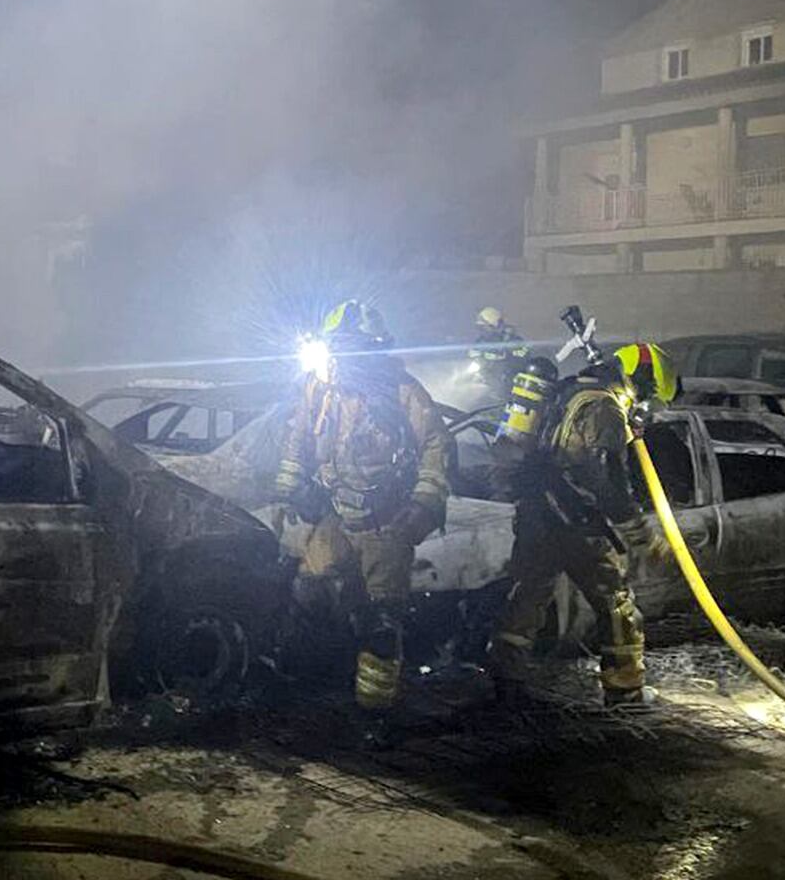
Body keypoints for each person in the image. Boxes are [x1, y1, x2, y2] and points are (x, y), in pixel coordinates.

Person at [275, 300, 453, 715]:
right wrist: (291, 490)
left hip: (385, 523)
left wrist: (423, 505)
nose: (340, 357)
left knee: (382, 619)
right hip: (336, 514)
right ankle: (321, 674)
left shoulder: (403, 391)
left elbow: (436, 445)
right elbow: (298, 437)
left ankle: (374, 713)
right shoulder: (321, 390)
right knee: (308, 589)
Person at [492, 340, 679, 706]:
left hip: (537, 519)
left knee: (527, 599)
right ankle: (625, 690)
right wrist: (639, 533)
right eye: (648, 395)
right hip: (579, 527)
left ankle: (505, 682)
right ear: (641, 381)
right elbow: (602, 479)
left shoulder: (569, 391)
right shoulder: (606, 408)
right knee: (616, 605)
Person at [467, 306, 528, 400]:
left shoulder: (513, 340)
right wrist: (479, 356)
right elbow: (472, 353)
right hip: (488, 376)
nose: (482, 331)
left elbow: (523, 355)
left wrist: (506, 355)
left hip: (508, 379)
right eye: (480, 328)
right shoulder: (481, 341)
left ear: (494, 325)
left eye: (484, 327)